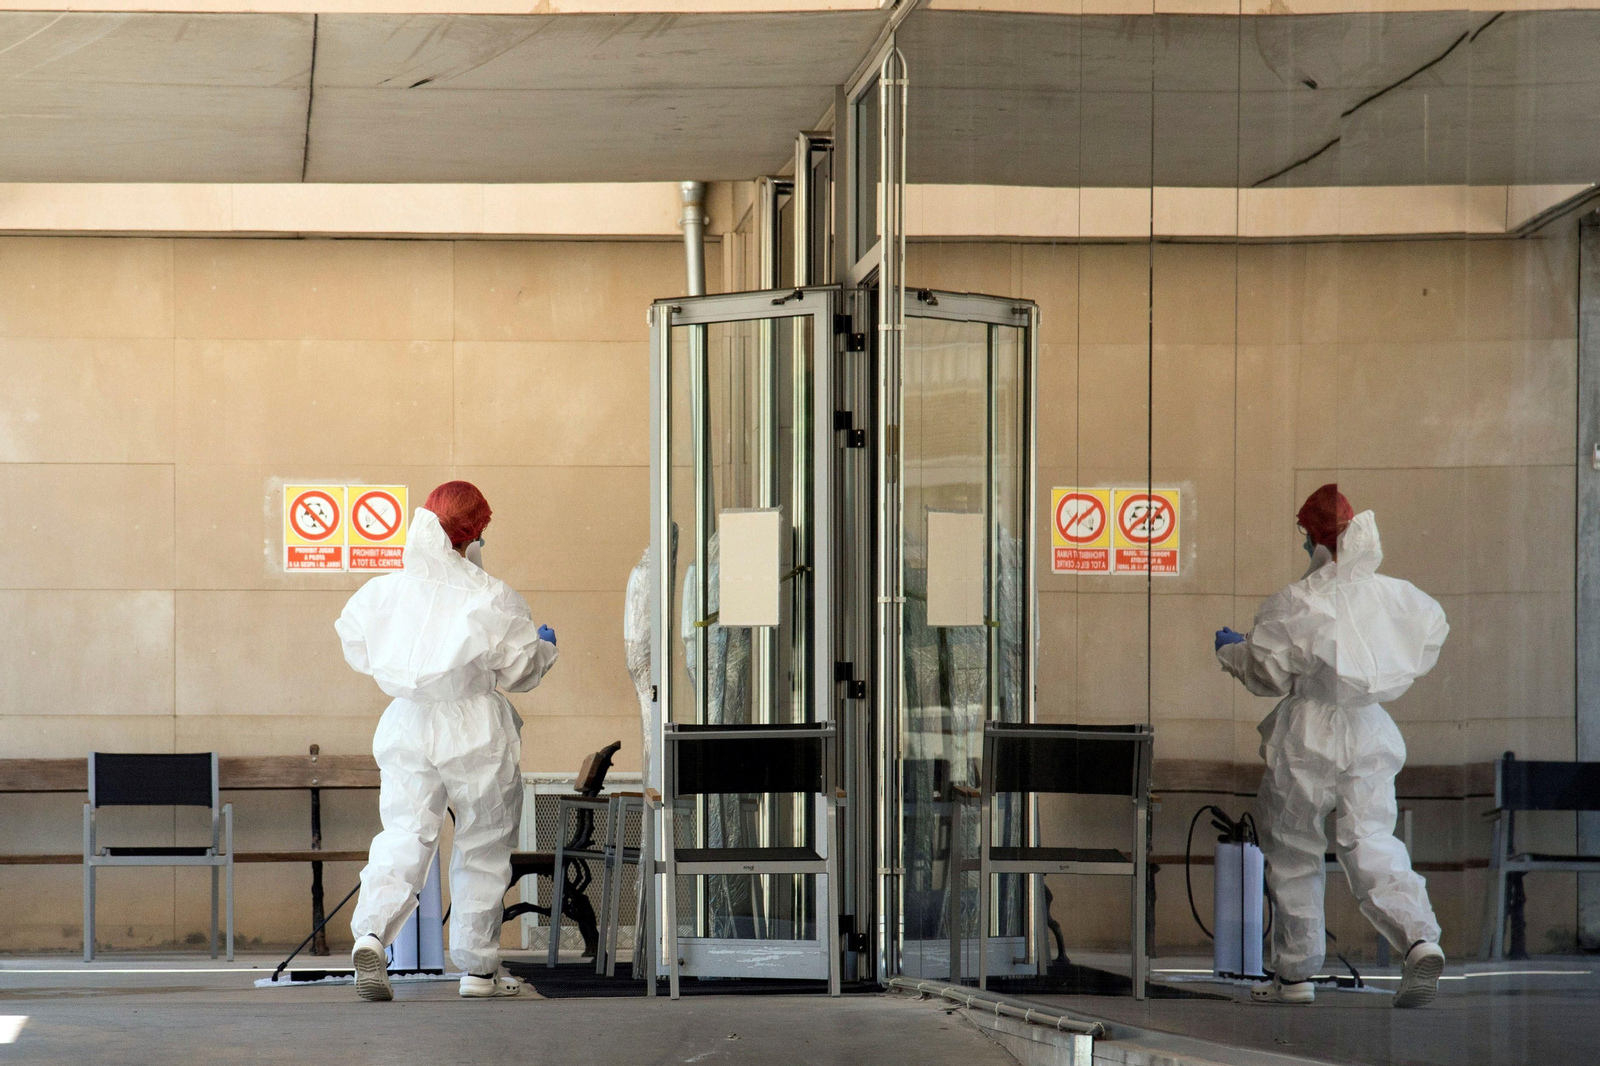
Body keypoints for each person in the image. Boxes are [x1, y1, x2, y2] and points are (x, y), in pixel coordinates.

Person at [1215, 484, 1448, 1008]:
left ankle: (1294, 976)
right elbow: (1429, 635)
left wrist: (1233, 652)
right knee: (1371, 839)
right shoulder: (1396, 595)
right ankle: (1418, 939)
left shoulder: (1298, 601)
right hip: (1369, 730)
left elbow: (1266, 674)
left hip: (1308, 736)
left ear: (1317, 540)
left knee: (1294, 848)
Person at [336, 480, 558, 1001]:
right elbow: (521, 671)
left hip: (407, 722)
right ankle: (478, 971)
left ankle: (371, 933)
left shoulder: (383, 590)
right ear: (475, 531)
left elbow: (358, 646)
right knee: (482, 842)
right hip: (475, 727)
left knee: (404, 834)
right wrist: (544, 648)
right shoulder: (490, 594)